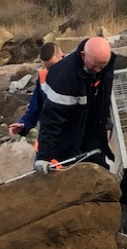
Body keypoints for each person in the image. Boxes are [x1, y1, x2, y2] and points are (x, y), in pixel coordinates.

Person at [35, 36, 117, 174]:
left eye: (101, 66)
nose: (98, 69)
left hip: (91, 124)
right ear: (83, 55)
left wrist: (105, 122)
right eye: (94, 65)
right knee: (68, 170)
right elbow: (51, 119)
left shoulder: (104, 65)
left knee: (99, 167)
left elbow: (102, 98)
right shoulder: (65, 77)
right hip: (67, 126)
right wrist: (44, 156)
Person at [8, 42, 64, 138]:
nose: (51, 72)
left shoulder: (78, 74)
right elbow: (34, 108)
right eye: (47, 68)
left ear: (63, 57)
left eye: (54, 67)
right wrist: (23, 124)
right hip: (50, 137)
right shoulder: (43, 77)